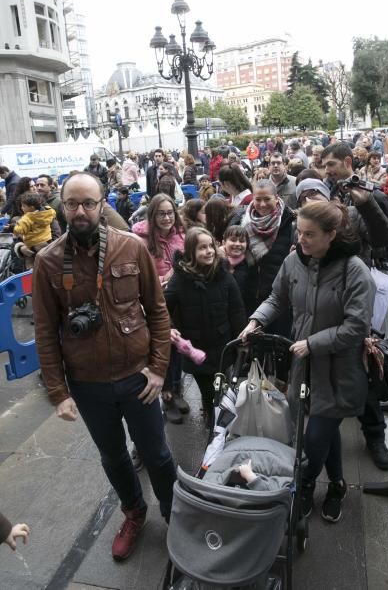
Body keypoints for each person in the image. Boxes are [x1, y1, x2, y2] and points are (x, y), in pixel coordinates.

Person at [32, 172, 176, 561]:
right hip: (89, 383)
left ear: (102, 205)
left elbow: (159, 313)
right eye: (72, 204)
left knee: (158, 454)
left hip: (138, 378)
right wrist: (58, 393)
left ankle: (174, 513)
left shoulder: (131, 247)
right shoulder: (46, 262)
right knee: (112, 456)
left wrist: (159, 369)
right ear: (61, 206)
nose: (79, 211)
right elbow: (45, 332)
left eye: (88, 203)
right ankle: (134, 511)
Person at [241, 201, 375, 523]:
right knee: (324, 429)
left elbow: (356, 327)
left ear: (331, 235)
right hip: (304, 366)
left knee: (314, 438)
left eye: (310, 234)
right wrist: (255, 321)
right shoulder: (293, 262)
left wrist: (313, 344)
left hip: (337, 371)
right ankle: (338, 485)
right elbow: (277, 298)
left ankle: (305, 484)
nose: (301, 240)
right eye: (299, 232)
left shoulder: (355, 270)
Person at [321, 142, 388, 469]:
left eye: (331, 164)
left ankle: (375, 435)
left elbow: (387, 240)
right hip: (329, 297)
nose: (327, 171)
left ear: (346, 162)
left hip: (361, 295)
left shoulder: (367, 195)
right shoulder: (327, 194)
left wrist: (368, 205)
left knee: (367, 364)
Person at [164, 227, 246, 426]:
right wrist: (170, 327)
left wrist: (242, 339)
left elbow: (236, 310)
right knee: (208, 390)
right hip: (196, 349)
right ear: (191, 252)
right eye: (202, 247)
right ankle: (213, 422)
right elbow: (162, 308)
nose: (209, 251)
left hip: (222, 343)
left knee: (222, 385)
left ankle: (220, 416)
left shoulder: (224, 275)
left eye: (211, 246)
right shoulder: (180, 279)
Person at [132, 194, 188, 425]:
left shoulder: (181, 235)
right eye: (161, 213)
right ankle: (166, 396)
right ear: (152, 215)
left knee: (177, 350)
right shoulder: (139, 240)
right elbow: (135, 274)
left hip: (179, 302)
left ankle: (175, 390)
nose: (167, 218)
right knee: (162, 349)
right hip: (155, 304)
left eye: (170, 213)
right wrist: (162, 278)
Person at [231, 179, 295, 324]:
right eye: (258, 199)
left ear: (276, 198)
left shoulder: (289, 221)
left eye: (267, 199)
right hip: (246, 293)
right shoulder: (240, 219)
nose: (262, 204)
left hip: (279, 297)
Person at [222, 224, 249, 294]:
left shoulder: (249, 265)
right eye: (233, 240)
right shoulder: (215, 262)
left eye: (242, 241)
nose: (237, 244)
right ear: (224, 243)